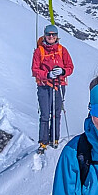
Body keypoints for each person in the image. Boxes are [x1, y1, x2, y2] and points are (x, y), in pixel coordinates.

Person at [31, 24, 73, 152]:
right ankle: (43, 141)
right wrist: (47, 74)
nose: (51, 37)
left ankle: (55, 138)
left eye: (53, 35)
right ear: (44, 35)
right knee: (45, 114)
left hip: (59, 84)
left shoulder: (62, 50)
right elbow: (35, 70)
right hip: (44, 86)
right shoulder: (39, 51)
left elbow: (70, 67)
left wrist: (63, 71)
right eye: (48, 34)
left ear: (57, 36)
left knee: (56, 113)